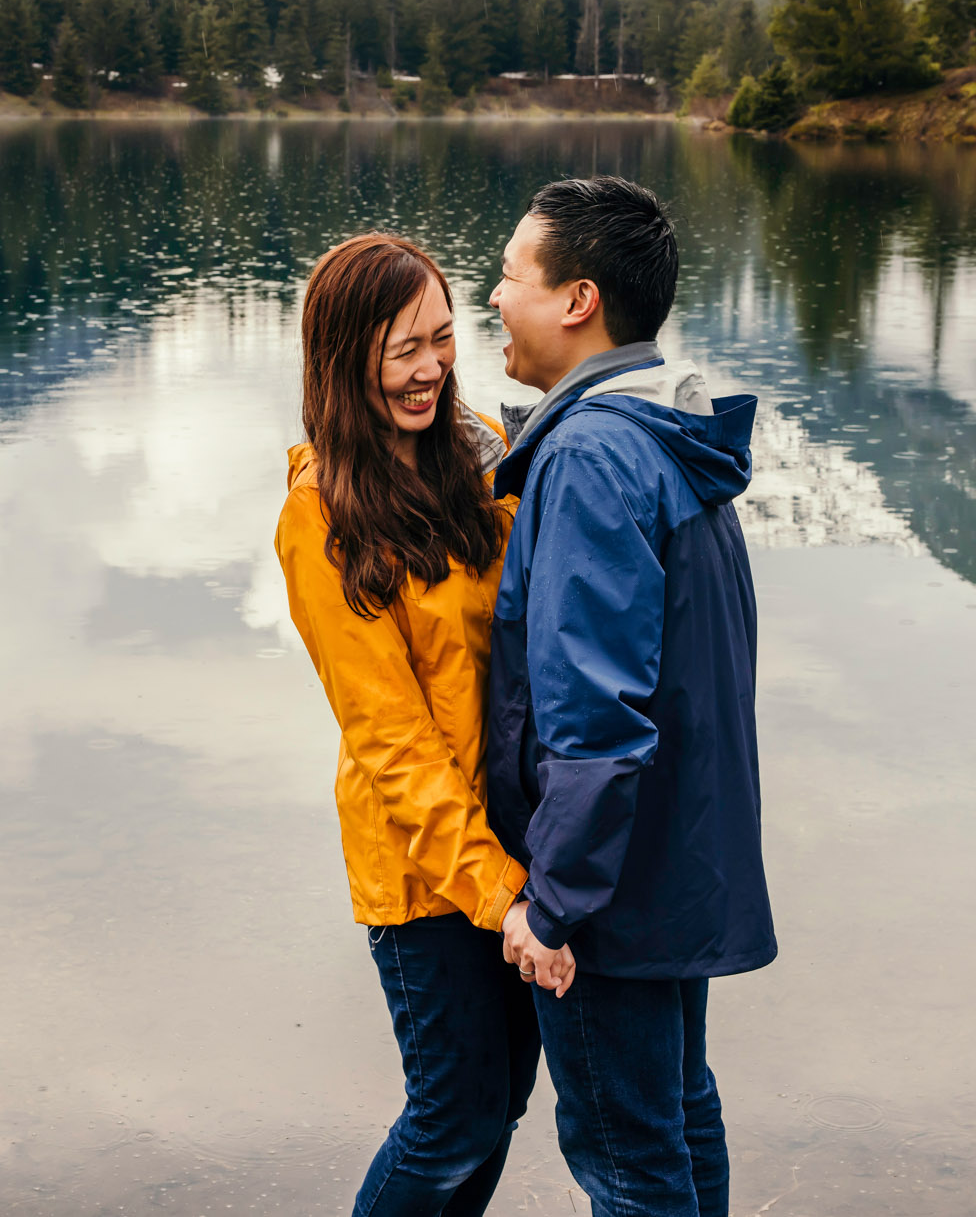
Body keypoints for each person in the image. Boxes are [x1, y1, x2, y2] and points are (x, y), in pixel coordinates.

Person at [484, 177, 776, 1217]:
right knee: (677, 1117)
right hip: (666, 863)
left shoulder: (593, 459)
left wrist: (552, 902)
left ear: (577, 299)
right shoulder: (661, 433)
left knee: (626, 1156)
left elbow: (593, 714)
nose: (491, 296)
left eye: (511, 274)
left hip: (606, 888)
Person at [275, 233, 555, 1216]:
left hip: (511, 841)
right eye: (403, 349)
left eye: (441, 338)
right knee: (454, 1111)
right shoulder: (322, 514)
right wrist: (497, 893)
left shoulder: (477, 450)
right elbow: (389, 738)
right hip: (420, 867)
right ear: (345, 356)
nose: (430, 367)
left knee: (497, 1102)